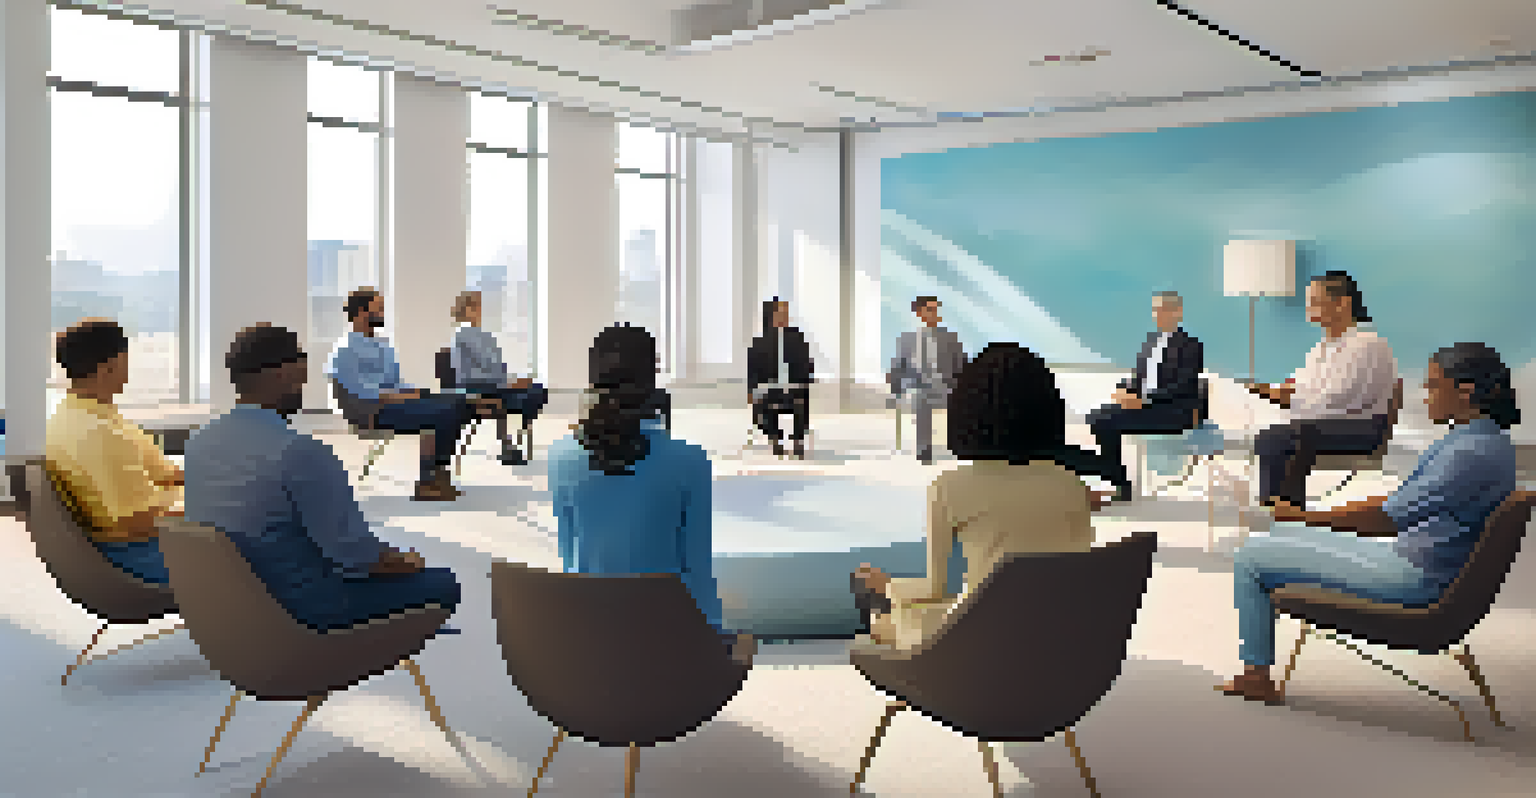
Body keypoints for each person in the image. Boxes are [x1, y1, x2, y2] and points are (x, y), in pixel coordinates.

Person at [1217, 342, 1518, 704]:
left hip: (1413, 576)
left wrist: (1306, 516)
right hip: (1420, 561)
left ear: (1466, 391)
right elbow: (1399, 506)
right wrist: (1304, 521)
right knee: (1282, 534)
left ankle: (1256, 676)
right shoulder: (1486, 441)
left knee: (1250, 557)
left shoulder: (1469, 454)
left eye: (1435, 385)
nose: (1426, 395)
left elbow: (1387, 518)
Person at [183, 324, 461, 633]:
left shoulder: (198, 443)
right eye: (302, 367)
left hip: (227, 609)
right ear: (283, 374)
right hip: (300, 610)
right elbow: (357, 557)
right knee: (443, 583)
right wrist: (405, 562)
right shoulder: (300, 451)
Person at [851, 343, 1100, 651]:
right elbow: (1078, 572)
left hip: (982, 644)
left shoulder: (949, 487)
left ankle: (890, 636)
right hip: (1059, 640)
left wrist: (887, 585)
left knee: (900, 611)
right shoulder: (1070, 484)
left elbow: (934, 588)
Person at [548, 323, 753, 664]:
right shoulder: (689, 460)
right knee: (741, 639)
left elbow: (572, 560)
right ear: (651, 379)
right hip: (666, 659)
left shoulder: (559, 458)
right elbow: (697, 569)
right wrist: (714, 641)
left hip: (585, 655)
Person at [44, 318, 183, 584]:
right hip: (135, 555)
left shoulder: (83, 414)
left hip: (136, 541)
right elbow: (137, 522)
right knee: (269, 547)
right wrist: (214, 507)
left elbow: (166, 472)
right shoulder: (99, 433)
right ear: (111, 366)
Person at [1247, 271, 1399, 508]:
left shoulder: (1367, 343)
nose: (1308, 308)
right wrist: (1272, 391)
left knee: (1277, 437)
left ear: (1343, 303)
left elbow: (1339, 397)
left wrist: (1289, 396)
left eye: (1316, 301)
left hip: (1360, 427)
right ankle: (1281, 509)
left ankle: (1281, 511)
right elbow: (1299, 384)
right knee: (1272, 432)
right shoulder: (1322, 346)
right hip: (1323, 423)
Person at [328, 287, 490, 501]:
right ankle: (427, 481)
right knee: (443, 412)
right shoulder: (344, 350)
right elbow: (362, 392)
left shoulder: (383, 346)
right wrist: (397, 396)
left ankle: (438, 471)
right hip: (370, 411)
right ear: (360, 313)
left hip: (393, 403)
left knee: (459, 402)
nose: (382, 313)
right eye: (378, 309)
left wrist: (412, 391)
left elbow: (395, 382)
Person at [1086, 290, 1205, 501]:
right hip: (1147, 407)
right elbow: (1138, 378)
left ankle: (1119, 485)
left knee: (1105, 420)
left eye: (1163, 309)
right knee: (1097, 417)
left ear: (1178, 313)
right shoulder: (1150, 342)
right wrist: (1123, 390)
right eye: (1155, 309)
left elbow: (1183, 386)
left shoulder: (1191, 345)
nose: (1157, 314)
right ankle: (1117, 481)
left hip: (1175, 411)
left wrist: (1144, 400)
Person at [448, 290, 549, 466]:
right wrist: (509, 383)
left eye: (479, 305)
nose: (480, 309)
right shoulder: (464, 333)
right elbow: (485, 365)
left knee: (537, 389)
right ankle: (509, 443)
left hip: (493, 384)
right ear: (465, 309)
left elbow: (497, 366)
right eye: (475, 305)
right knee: (530, 394)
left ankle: (511, 441)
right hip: (475, 387)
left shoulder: (484, 335)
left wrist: (512, 380)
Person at [888, 296, 967, 464]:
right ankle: (924, 448)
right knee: (921, 397)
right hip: (918, 386)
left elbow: (962, 364)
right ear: (918, 313)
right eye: (930, 310)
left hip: (946, 386)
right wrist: (895, 388)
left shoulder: (950, 337)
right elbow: (898, 366)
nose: (935, 314)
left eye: (936, 309)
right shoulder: (907, 338)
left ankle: (963, 444)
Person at [746, 298, 813, 459]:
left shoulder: (797, 337)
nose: (784, 317)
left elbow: (807, 362)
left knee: (802, 399)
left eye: (786, 313)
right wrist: (751, 390)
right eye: (780, 313)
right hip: (770, 388)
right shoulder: (760, 341)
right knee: (762, 406)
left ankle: (798, 440)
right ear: (771, 315)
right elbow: (752, 369)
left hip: (794, 386)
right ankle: (775, 438)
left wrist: (804, 380)